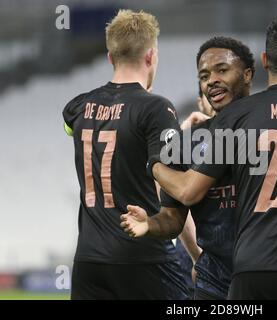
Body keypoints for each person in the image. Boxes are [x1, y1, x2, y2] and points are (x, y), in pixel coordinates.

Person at [122, 34, 277, 299]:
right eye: (204, 76)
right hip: (213, 283)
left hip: (271, 276)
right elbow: (173, 218)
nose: (211, 80)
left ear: (249, 75)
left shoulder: (276, 132)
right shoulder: (186, 144)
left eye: (222, 70)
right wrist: (150, 224)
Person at [62, 9, 188, 300]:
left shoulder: (77, 107)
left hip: (88, 261)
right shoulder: (155, 109)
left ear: (110, 57)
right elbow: (175, 183)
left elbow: (74, 127)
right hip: (143, 259)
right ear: (151, 56)